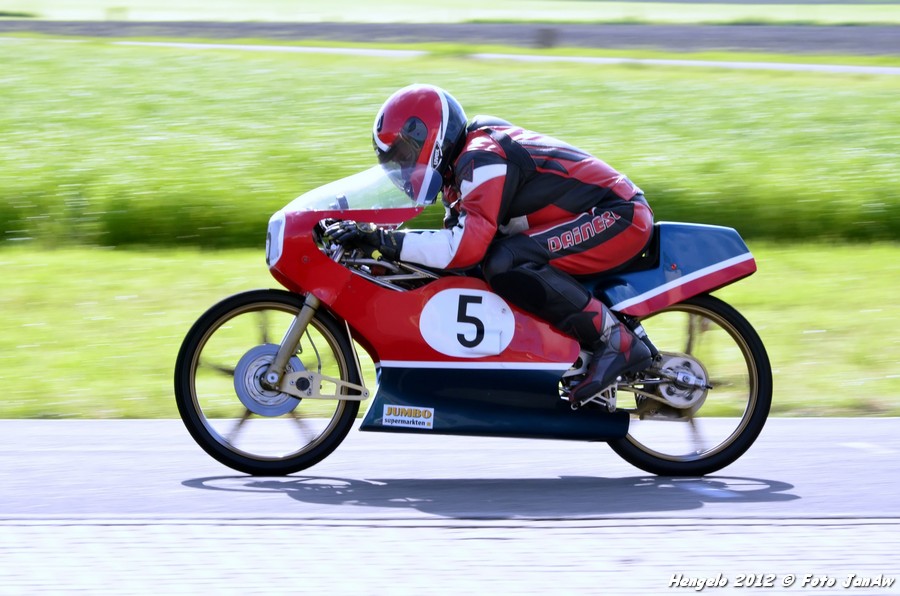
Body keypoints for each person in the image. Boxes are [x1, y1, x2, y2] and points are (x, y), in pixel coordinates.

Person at [332, 84, 653, 402]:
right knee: (486, 268)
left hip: (619, 215)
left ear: (430, 137)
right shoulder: (457, 176)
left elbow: (465, 248)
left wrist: (386, 239)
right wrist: (378, 241)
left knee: (505, 261)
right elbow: (456, 255)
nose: (402, 170)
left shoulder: (480, 157)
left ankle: (614, 342)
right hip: (606, 213)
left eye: (404, 156)